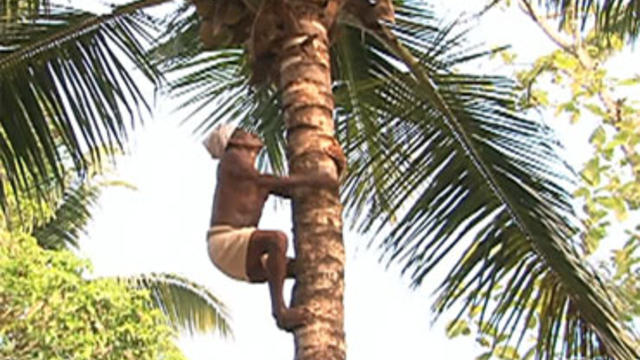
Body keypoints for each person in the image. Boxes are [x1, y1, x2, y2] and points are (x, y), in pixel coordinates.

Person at [203, 124, 341, 331]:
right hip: (226, 241)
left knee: (304, 269)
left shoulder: (255, 179)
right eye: (244, 132)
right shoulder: (231, 160)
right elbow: (269, 181)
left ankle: (303, 313)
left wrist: (335, 170)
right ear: (235, 142)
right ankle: (280, 313)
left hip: (239, 253)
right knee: (276, 240)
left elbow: (298, 192)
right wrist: (322, 178)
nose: (252, 133)